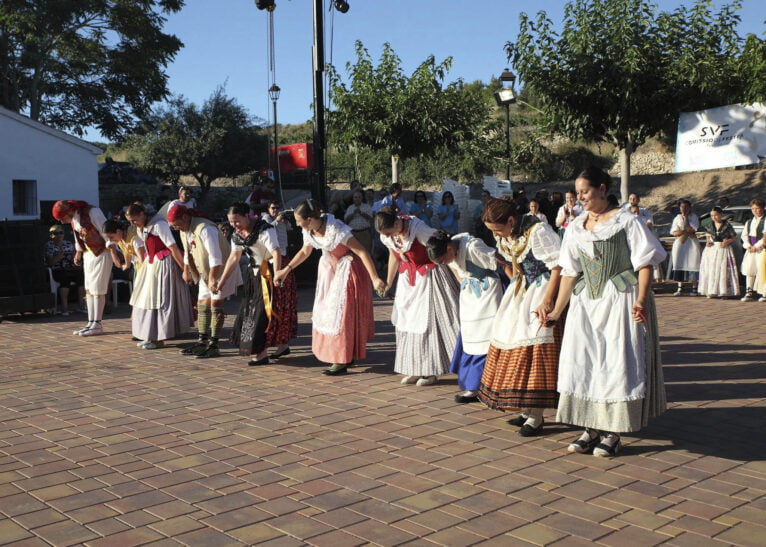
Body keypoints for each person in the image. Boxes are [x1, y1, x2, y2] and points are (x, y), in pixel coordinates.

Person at [543, 166, 667, 458]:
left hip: (618, 299)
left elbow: (645, 263)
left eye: (585, 190)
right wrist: (557, 311)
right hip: (586, 303)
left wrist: (640, 299)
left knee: (615, 360)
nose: (580, 196)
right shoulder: (575, 226)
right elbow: (570, 272)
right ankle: (590, 427)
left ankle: (613, 432)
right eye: (578, 191)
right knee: (584, 359)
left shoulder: (626, 221)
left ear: (602, 188)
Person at [478, 198, 563, 437]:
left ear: (511, 220)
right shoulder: (508, 234)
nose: (497, 235)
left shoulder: (538, 231)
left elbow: (558, 265)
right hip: (522, 289)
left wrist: (547, 299)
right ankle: (527, 409)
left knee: (535, 350)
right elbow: (515, 264)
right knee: (513, 344)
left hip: (542, 290)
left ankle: (536, 415)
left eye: (498, 229)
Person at [273, 199, 385, 376]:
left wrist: (375, 278)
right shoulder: (309, 231)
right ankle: (344, 354)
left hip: (347, 271)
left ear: (309, 219)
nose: (296, 224)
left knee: (341, 316)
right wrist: (285, 271)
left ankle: (341, 359)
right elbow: (305, 251)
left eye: (298, 220)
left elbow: (362, 252)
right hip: (328, 271)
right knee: (326, 312)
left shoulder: (337, 229)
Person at [376, 210, 459, 386]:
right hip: (408, 281)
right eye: (385, 235)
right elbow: (394, 255)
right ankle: (414, 368)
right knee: (408, 323)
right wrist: (389, 282)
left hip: (429, 277)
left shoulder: (418, 229)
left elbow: (443, 245)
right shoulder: (391, 236)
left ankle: (430, 370)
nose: (388, 237)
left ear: (397, 224)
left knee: (428, 324)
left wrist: (459, 275)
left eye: (389, 233)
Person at [425, 231, 502, 403]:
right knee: (469, 337)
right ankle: (473, 386)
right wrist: (466, 290)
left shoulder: (473, 246)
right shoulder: (450, 256)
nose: (443, 264)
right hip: (470, 295)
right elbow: (458, 273)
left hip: (489, 293)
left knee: (487, 336)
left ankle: (492, 385)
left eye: (443, 260)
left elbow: (501, 262)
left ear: (449, 248)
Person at [213, 203, 281, 366]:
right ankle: (260, 352)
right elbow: (233, 258)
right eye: (231, 222)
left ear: (246, 215)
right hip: (253, 275)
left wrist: (277, 275)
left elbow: (276, 252)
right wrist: (221, 281)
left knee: (265, 313)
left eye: (237, 221)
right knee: (250, 312)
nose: (234, 225)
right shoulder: (237, 235)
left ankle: (273, 348)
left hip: (269, 274)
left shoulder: (265, 229)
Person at [168, 205, 239, 359]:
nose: (175, 228)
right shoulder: (184, 231)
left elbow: (216, 257)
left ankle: (214, 345)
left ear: (185, 218)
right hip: (206, 272)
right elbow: (188, 252)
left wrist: (213, 279)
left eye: (176, 224)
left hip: (221, 270)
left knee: (215, 306)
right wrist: (186, 270)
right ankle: (202, 342)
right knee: (202, 305)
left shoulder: (206, 229)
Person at [123, 202, 193, 350]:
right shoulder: (143, 226)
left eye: (134, 220)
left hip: (163, 264)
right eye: (130, 221)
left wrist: (184, 269)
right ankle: (149, 334)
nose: (132, 223)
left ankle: (158, 337)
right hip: (151, 263)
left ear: (142, 214)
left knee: (159, 299)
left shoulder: (159, 224)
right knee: (145, 299)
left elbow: (172, 246)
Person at [52, 200, 112, 337]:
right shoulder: (75, 219)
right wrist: (78, 252)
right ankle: (91, 322)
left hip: (102, 252)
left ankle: (97, 323)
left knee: (98, 288)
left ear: (68, 212)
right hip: (89, 254)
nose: (61, 222)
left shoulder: (92, 212)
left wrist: (114, 250)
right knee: (89, 288)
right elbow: (78, 236)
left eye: (62, 218)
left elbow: (107, 230)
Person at [260, 201, 297, 358]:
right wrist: (277, 220)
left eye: (278, 208)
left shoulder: (281, 220)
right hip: (270, 260)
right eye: (273, 208)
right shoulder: (265, 221)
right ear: (268, 209)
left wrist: (286, 220)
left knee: (284, 301)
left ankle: (283, 343)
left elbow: (290, 230)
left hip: (284, 257)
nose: (276, 211)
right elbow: (269, 231)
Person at [698, 206, 740, 299]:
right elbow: (708, 235)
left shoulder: (727, 225)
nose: (714, 217)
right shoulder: (710, 224)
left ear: (721, 215)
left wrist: (726, 242)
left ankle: (724, 292)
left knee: (723, 269)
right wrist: (708, 241)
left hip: (723, 248)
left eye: (716, 215)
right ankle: (712, 290)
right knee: (712, 269)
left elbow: (733, 237)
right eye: (712, 216)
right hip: (712, 249)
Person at [44, 224, 85, 316]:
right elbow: (51, 262)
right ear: (51, 235)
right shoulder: (49, 245)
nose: (59, 235)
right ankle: (64, 308)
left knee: (81, 278)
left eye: (61, 233)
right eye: (56, 233)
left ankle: (81, 306)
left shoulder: (68, 244)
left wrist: (76, 261)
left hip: (69, 269)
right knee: (64, 279)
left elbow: (74, 257)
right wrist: (60, 255)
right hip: (57, 270)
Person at [669, 199, 702, 296]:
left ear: (690, 208)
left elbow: (692, 229)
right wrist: (684, 231)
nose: (683, 209)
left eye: (686, 207)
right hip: (680, 243)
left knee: (693, 262)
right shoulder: (677, 218)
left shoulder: (694, 217)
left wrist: (686, 218)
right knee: (679, 262)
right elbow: (674, 232)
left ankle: (694, 287)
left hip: (691, 243)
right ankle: (680, 287)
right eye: (682, 207)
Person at [741, 198, 765, 302]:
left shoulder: (765, 220)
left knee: (762, 270)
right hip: (751, 249)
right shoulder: (749, 222)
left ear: (762, 208)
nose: (755, 211)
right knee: (749, 269)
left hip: (761, 249)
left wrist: (757, 245)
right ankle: (749, 292)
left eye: (757, 208)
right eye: (753, 208)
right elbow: (744, 235)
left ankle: (764, 293)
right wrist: (748, 245)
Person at [344, 189, 374, 254]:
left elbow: (370, 219)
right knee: (354, 253)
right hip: (353, 234)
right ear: (353, 199)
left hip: (364, 233)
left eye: (359, 197)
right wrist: (353, 214)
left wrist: (361, 213)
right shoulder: (350, 208)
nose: (357, 199)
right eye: (355, 197)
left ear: (362, 198)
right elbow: (346, 221)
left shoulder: (367, 207)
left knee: (366, 253)